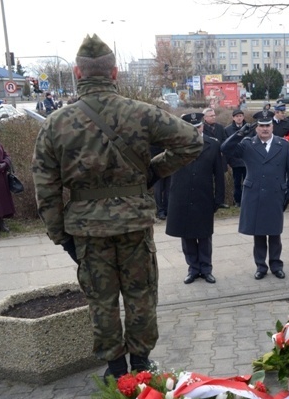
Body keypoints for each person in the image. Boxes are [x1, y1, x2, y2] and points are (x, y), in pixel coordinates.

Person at [31, 34, 203, 380]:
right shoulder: (139, 112)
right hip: (133, 225)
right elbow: (192, 141)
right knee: (140, 293)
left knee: (101, 299)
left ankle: (114, 369)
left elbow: (45, 187)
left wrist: (59, 235)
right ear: (114, 74)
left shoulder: (55, 124)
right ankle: (140, 366)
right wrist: (154, 170)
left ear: (78, 73)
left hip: (86, 229)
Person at [221, 110, 289, 280]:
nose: (264, 129)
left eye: (267, 125)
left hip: (276, 193)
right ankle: (261, 266)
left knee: (275, 233)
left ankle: (276, 265)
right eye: (261, 126)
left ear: (272, 126)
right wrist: (240, 134)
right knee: (259, 233)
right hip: (255, 193)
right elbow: (225, 148)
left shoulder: (282, 144)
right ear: (256, 128)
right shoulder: (247, 144)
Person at [167, 112, 224, 285]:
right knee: (187, 235)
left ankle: (206, 269)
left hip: (203, 196)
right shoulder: (175, 145)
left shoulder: (213, 145)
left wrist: (219, 198)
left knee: (205, 235)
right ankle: (193, 268)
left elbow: (219, 175)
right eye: (192, 128)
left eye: (198, 127)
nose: (197, 130)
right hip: (182, 197)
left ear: (203, 126)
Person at [202, 108, 229, 208]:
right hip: (207, 159)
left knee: (220, 180)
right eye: (211, 116)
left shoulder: (220, 127)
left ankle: (219, 201)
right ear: (205, 118)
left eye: (214, 115)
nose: (214, 117)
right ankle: (208, 200)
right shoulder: (202, 128)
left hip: (220, 158)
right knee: (207, 180)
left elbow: (225, 141)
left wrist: (221, 149)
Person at [225, 109, 249, 208]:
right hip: (235, 161)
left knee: (248, 182)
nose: (239, 118)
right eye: (237, 116)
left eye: (241, 116)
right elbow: (227, 146)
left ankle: (247, 199)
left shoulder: (249, 127)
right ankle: (238, 201)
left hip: (248, 160)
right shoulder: (228, 130)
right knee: (237, 182)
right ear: (233, 118)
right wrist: (229, 160)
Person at [149, 146, 170, 220]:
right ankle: (160, 211)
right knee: (158, 189)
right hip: (157, 164)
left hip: (169, 164)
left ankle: (166, 209)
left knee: (168, 189)